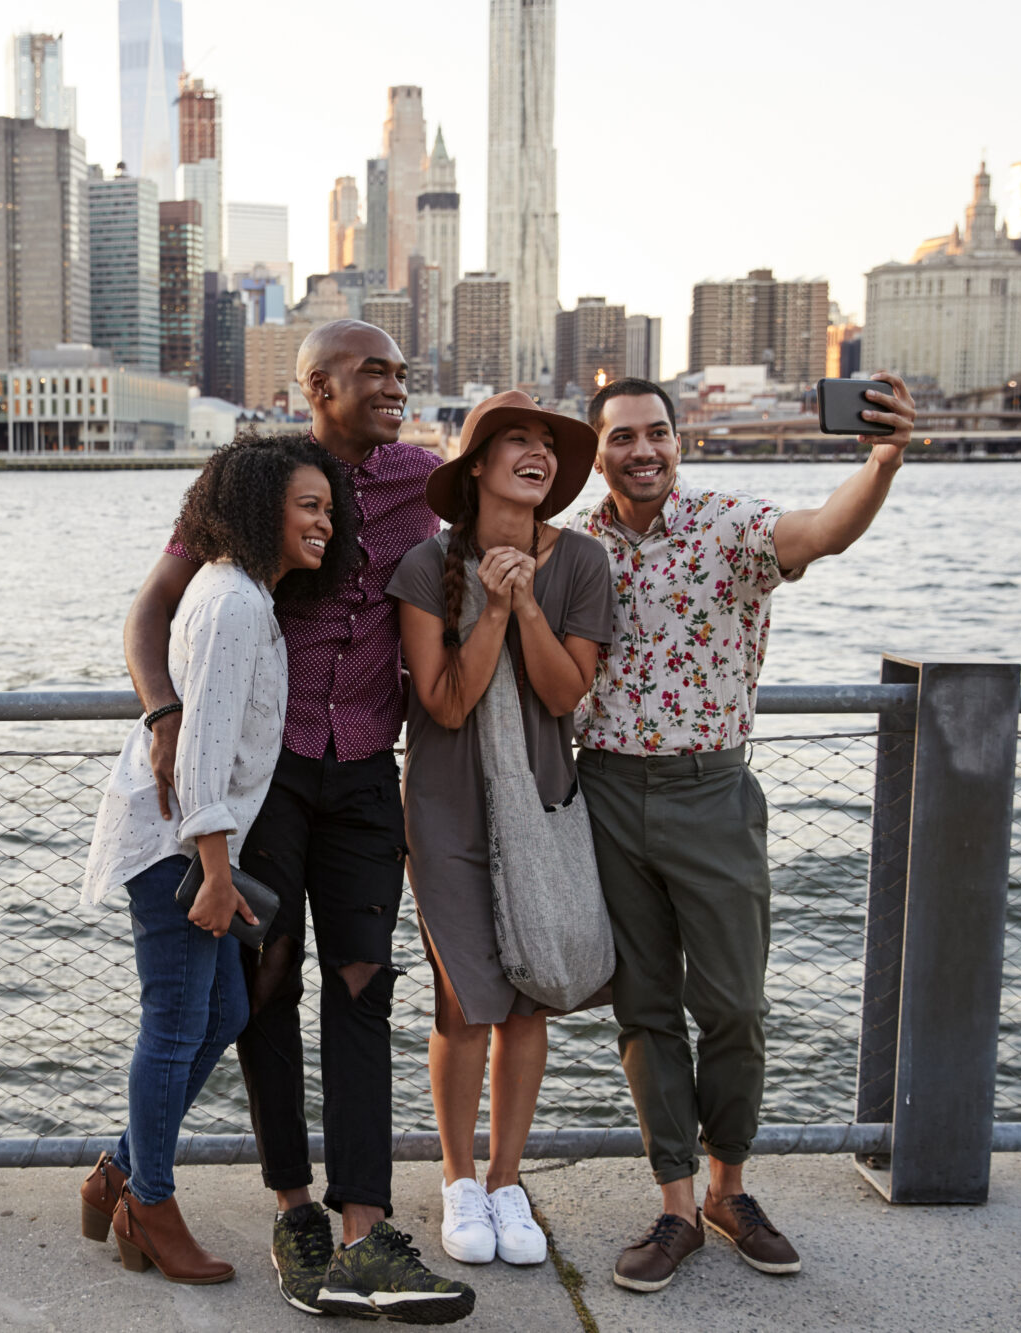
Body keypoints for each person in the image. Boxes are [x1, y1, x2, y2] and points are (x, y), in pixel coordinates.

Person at [122, 321, 476, 1323]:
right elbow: (146, 610)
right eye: (371, 371)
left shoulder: (421, 476)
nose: (394, 383)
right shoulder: (252, 480)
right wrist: (163, 714)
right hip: (267, 777)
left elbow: (515, 485)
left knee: (363, 985)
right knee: (263, 984)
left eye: (402, 369)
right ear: (312, 385)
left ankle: (365, 1230)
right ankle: (292, 1211)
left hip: (366, 774)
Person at [570, 373, 917, 1294]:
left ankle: (731, 1188)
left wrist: (881, 462)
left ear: (679, 442)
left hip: (711, 788)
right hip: (601, 787)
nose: (641, 451)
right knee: (643, 1008)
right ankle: (678, 1205)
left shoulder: (731, 525)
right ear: (596, 449)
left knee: (734, 1006)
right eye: (621, 438)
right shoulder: (573, 545)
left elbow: (823, 530)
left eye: (656, 434)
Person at [79, 434, 358, 1285]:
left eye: (329, 508)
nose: (324, 521)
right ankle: (149, 1204)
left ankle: (119, 1170)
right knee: (175, 1020)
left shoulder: (244, 596)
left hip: (192, 840)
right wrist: (213, 870)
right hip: (179, 844)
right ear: (257, 507)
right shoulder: (234, 603)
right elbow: (196, 752)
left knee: (227, 1007)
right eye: (307, 506)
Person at [388, 392, 615, 1268]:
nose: (537, 454)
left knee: (530, 992)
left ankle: (507, 1179)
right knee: (464, 1000)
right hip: (445, 810)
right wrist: (486, 606)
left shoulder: (582, 563)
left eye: (548, 445)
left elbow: (564, 695)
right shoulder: (422, 567)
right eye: (515, 441)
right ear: (476, 466)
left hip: (546, 804)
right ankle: (457, 1179)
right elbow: (445, 702)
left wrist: (525, 606)